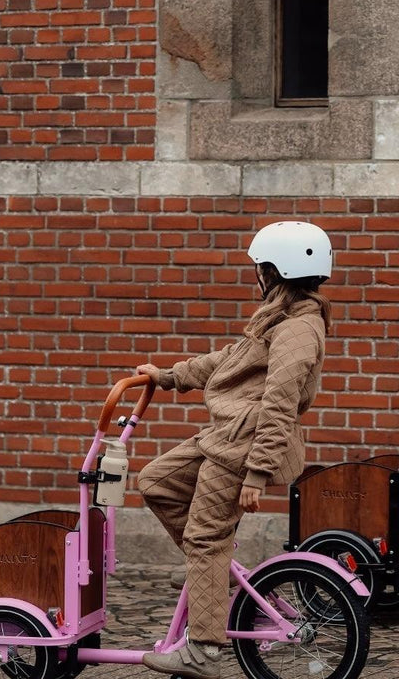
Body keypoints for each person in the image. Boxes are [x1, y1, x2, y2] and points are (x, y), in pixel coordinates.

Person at [135, 221, 333, 679]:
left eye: (260, 268)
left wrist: (257, 473)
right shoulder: (277, 318)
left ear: (274, 271)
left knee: (206, 538)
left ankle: (202, 650)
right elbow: (227, 359)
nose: (257, 275)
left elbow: (280, 406)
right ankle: (215, 576)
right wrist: (166, 376)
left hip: (243, 447)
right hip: (225, 436)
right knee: (155, 482)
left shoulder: (298, 330)